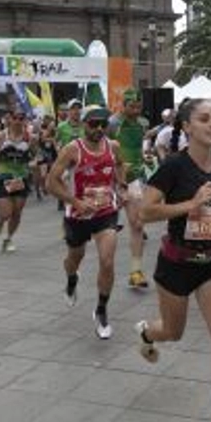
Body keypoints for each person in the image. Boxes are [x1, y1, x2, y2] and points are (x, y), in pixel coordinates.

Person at [134, 99, 211, 422]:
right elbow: (145, 213)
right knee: (173, 332)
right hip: (176, 264)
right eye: (205, 119)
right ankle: (147, 333)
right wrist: (191, 204)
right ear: (187, 127)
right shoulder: (173, 167)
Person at [46, 105, 125, 339]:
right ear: (83, 125)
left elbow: (120, 164)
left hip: (106, 213)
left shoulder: (113, 146)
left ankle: (101, 310)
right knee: (74, 258)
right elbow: (51, 183)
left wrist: (121, 186)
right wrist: (75, 202)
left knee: (107, 261)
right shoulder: (72, 150)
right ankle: (72, 279)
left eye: (103, 124)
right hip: (78, 216)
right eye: (93, 124)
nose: (99, 128)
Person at [108, 90, 153, 289]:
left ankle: (135, 271)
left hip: (134, 180)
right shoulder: (112, 123)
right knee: (96, 224)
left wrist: (145, 158)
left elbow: (136, 148)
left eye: (138, 106)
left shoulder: (142, 123)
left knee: (137, 223)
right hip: (110, 179)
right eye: (131, 106)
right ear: (123, 105)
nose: (135, 110)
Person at [0, 110, 35, 253]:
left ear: (25, 120)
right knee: (6, 213)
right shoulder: (0, 136)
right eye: (15, 118)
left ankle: (8, 239)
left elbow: (37, 154)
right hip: (3, 177)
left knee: (17, 212)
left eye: (21, 118)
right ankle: (0, 220)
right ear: (10, 119)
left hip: (21, 178)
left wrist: (34, 162)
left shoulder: (30, 138)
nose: (18, 121)